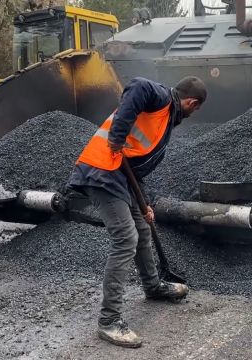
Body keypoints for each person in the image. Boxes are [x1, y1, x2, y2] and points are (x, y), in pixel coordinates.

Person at [68, 76, 207, 348]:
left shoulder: (164, 118)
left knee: (143, 228)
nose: (192, 113)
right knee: (125, 239)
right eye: (195, 109)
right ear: (192, 102)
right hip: (102, 171)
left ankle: (152, 286)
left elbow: (135, 165)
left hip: (119, 174)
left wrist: (144, 204)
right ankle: (109, 321)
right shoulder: (161, 97)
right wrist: (117, 136)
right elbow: (137, 85)